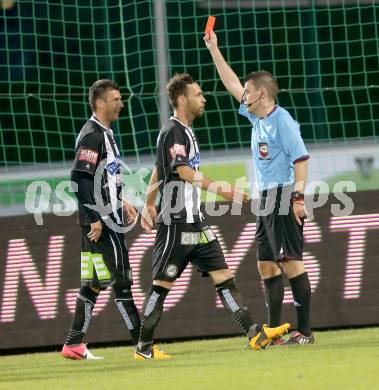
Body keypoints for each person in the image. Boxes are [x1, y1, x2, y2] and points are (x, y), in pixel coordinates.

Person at [134, 73, 290, 360]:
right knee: (162, 283)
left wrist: (148, 203)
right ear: (182, 99)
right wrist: (223, 190)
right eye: (197, 94)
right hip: (177, 222)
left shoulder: (185, 131)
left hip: (196, 220)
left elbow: (160, 167)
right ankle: (143, 348)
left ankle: (254, 333)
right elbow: (181, 171)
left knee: (223, 276)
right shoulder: (174, 131)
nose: (203, 98)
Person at [204, 32, 314, 345]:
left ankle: (305, 333)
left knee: (291, 261)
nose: (244, 97)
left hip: (282, 196)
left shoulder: (283, 122)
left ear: (262, 94)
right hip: (265, 200)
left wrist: (297, 198)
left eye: (249, 94)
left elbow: (302, 160)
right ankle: (274, 332)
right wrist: (214, 49)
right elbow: (232, 83)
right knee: (266, 265)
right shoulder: (258, 120)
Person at [61, 79, 141, 360]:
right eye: (115, 99)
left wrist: (122, 200)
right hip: (102, 222)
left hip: (103, 215)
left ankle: (73, 343)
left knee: (93, 281)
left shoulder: (103, 133)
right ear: (100, 103)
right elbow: (79, 177)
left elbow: (102, 178)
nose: (121, 103)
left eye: (120, 98)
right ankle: (144, 347)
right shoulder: (93, 134)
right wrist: (95, 216)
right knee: (122, 280)